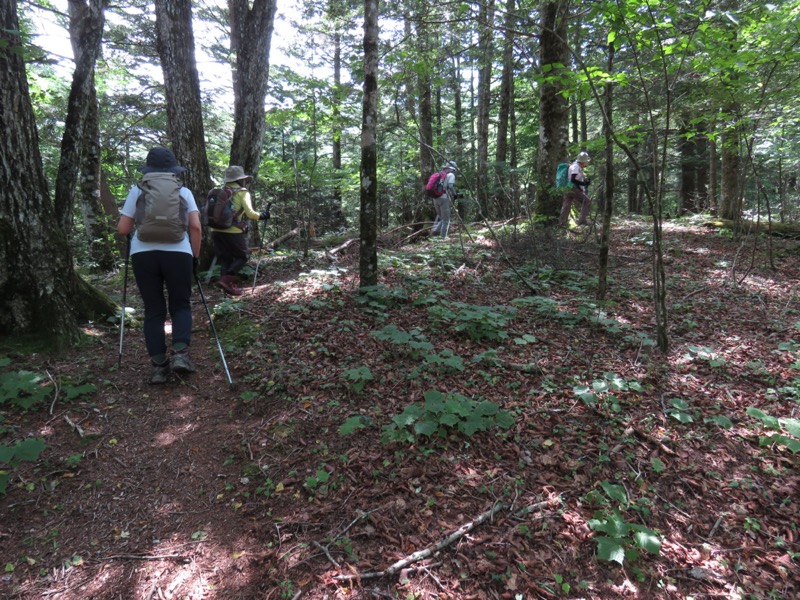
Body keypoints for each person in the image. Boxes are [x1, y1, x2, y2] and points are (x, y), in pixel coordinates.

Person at [117, 147, 202, 384]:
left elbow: (123, 229)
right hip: (179, 253)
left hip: (143, 254)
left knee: (153, 310)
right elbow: (195, 227)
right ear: (174, 170)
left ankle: (158, 367)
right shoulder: (183, 191)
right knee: (181, 304)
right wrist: (195, 256)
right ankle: (181, 355)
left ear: (148, 170)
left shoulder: (137, 191)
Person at [208, 166, 270, 296]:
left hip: (215, 230)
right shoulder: (242, 192)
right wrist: (263, 216)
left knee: (226, 259)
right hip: (233, 231)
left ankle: (227, 290)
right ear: (240, 179)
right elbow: (251, 213)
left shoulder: (218, 191)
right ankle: (226, 281)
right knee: (243, 256)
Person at [558, 151, 592, 227]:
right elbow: (573, 179)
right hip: (572, 188)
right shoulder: (576, 167)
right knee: (586, 201)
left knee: (567, 204)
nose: (586, 163)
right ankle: (582, 221)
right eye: (586, 161)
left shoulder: (576, 166)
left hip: (568, 188)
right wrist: (583, 184)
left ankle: (562, 223)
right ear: (583, 161)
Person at [431, 160, 457, 239]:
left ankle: (433, 233)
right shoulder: (451, 175)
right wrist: (454, 194)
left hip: (435, 198)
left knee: (440, 217)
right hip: (444, 198)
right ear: (453, 168)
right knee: (446, 220)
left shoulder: (440, 174)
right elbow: (450, 186)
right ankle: (443, 239)